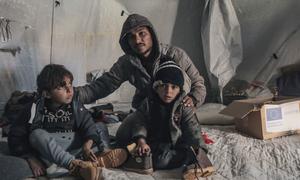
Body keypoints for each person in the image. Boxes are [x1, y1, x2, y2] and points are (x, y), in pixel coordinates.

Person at [8, 64, 128, 179]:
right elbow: (15, 136)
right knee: (37, 134)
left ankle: (101, 156)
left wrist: (87, 146)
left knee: (99, 126)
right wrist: (30, 158)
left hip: (73, 147)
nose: (69, 90)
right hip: (50, 150)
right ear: (47, 94)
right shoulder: (34, 107)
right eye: (61, 87)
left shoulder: (74, 103)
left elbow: (88, 124)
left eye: (70, 84)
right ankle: (74, 166)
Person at [76, 13, 206, 109]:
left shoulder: (175, 54)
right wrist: (70, 94)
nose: (137, 40)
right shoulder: (127, 63)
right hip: (151, 109)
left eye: (141, 33)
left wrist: (193, 99)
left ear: (152, 35)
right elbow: (101, 86)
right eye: (131, 37)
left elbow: (198, 83)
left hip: (181, 108)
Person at [116, 59, 214, 179]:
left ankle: (188, 158)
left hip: (173, 143)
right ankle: (130, 156)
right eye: (164, 86)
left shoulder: (183, 106)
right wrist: (141, 141)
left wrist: (199, 152)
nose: (168, 91)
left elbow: (192, 128)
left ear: (180, 89)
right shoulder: (148, 102)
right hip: (152, 140)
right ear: (156, 87)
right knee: (132, 138)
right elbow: (140, 123)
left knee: (161, 161)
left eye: (174, 87)